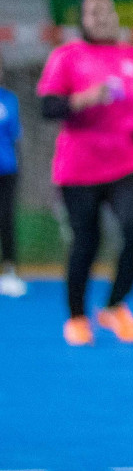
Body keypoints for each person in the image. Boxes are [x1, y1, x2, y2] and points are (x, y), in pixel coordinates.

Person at [37, 0, 133, 345]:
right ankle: (77, 317)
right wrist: (83, 99)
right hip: (79, 166)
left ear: (115, 16)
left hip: (127, 161)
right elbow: (48, 107)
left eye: (105, 11)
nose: (99, 18)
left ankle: (115, 306)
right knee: (87, 241)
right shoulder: (66, 57)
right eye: (91, 13)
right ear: (83, 20)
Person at [0, 51, 24, 297]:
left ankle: (10, 270)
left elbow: (15, 136)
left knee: (6, 220)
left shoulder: (9, 100)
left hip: (6, 169)